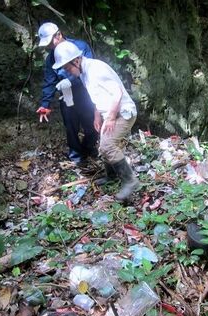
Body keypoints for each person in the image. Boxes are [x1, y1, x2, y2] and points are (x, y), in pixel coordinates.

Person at [53, 41, 140, 201]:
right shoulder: (84, 73)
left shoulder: (95, 69)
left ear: (76, 60)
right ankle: (112, 176)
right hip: (109, 113)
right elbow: (97, 96)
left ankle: (130, 181)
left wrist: (112, 117)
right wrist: (97, 116)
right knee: (104, 144)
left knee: (107, 145)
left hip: (123, 113)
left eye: (68, 68)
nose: (68, 72)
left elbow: (117, 92)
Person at [36, 22, 98, 164]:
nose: (49, 46)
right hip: (67, 96)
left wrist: (71, 81)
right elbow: (50, 80)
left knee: (91, 126)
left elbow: (88, 71)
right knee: (71, 128)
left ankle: (89, 148)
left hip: (85, 94)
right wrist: (45, 104)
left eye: (50, 41)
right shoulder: (51, 58)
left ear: (59, 34)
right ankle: (76, 156)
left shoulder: (80, 46)